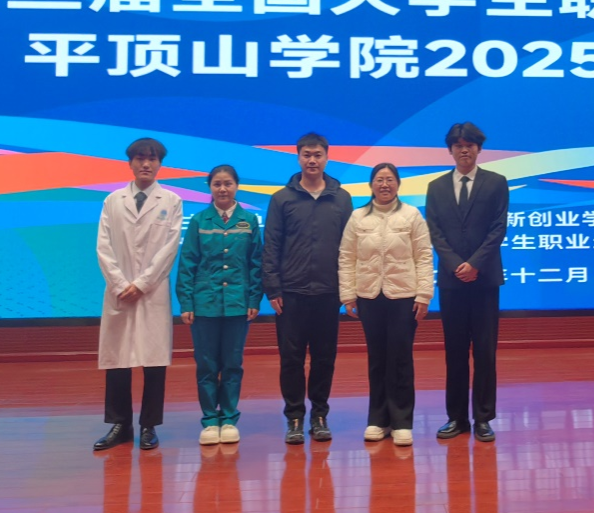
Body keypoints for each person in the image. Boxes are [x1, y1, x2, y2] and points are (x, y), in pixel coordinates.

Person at [93, 137, 183, 451]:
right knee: (118, 360)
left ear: (160, 164)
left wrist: (143, 283)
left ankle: (149, 425)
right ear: (130, 163)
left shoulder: (171, 201)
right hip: (119, 292)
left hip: (151, 292)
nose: (146, 164)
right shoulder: (112, 201)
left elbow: (169, 248)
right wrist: (120, 284)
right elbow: (103, 246)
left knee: (153, 361)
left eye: (152, 159)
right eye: (140, 158)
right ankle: (120, 424)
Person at [262, 132, 352, 445]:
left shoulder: (341, 198)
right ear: (298, 157)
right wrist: (273, 288)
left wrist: (347, 289)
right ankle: (295, 417)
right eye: (306, 155)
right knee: (291, 359)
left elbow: (349, 247)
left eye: (317, 155)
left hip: (328, 293)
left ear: (326, 157)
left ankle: (320, 415)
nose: (312, 160)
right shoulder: (281, 199)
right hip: (291, 294)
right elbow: (271, 245)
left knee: (325, 358)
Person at [424, 122, 508, 443]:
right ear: (450, 150)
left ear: (478, 149)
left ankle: (483, 418)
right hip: (452, 281)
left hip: (485, 280)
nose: (464, 150)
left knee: (485, 352)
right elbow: (435, 232)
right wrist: (455, 264)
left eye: (470, 145)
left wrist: (474, 264)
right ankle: (456, 418)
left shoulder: (496, 183)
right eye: (458, 145)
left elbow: (498, 228)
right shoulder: (436, 187)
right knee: (455, 352)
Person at [339, 163, 434, 447]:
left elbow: (424, 255)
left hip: (404, 296)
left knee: (401, 358)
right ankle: (378, 420)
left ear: (398, 184)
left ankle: (402, 422)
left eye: (389, 180)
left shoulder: (412, 215)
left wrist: (424, 295)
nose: (384, 185)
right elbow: (347, 256)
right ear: (371, 185)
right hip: (369, 296)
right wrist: (348, 295)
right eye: (379, 180)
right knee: (377, 358)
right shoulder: (358, 217)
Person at [176, 164, 263, 447]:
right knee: (206, 365)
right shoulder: (199, 221)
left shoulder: (249, 221)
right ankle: (210, 421)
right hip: (205, 304)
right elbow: (188, 263)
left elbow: (256, 264)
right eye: (217, 184)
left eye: (228, 184)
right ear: (210, 187)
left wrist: (254, 299)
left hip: (238, 303)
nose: (223, 189)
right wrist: (186, 301)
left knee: (232, 364)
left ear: (236, 186)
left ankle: (228, 419)